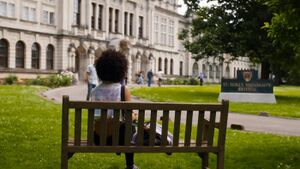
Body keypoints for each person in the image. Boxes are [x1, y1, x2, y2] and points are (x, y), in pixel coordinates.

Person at [90, 49, 139, 169]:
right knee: (130, 127)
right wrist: (134, 116)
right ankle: (130, 165)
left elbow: (96, 117)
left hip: (98, 138)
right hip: (119, 138)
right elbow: (128, 117)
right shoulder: (123, 90)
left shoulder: (94, 91)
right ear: (121, 70)